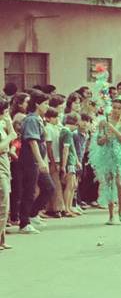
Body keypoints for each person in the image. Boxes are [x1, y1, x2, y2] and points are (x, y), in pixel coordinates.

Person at [89, 97, 121, 225]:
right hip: (107, 155)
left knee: (119, 183)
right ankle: (111, 215)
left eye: (119, 108)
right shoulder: (103, 122)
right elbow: (99, 142)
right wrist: (105, 137)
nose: (116, 110)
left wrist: (112, 128)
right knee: (108, 184)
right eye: (114, 107)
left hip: (120, 156)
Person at [18, 90, 54, 234]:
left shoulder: (39, 119)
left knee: (49, 188)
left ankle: (33, 214)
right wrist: (40, 161)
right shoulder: (31, 119)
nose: (47, 106)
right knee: (29, 190)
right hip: (30, 160)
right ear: (37, 104)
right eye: (45, 104)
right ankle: (24, 223)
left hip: (37, 160)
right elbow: (33, 142)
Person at [0, 99, 16, 250]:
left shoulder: (2, 125)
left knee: (5, 204)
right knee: (3, 205)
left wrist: (10, 127)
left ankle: (2, 239)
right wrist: (10, 136)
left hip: (5, 167)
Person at [58, 113, 80, 217]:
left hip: (71, 161)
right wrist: (63, 165)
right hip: (69, 162)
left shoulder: (66, 132)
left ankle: (69, 207)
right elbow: (65, 149)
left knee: (73, 185)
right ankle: (66, 208)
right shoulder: (67, 133)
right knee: (69, 185)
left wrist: (77, 160)